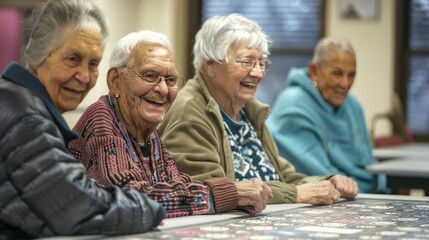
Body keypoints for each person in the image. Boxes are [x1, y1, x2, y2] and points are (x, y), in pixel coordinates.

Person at [0, 1, 164, 239]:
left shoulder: (16, 99)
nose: (85, 77)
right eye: (73, 59)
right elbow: (77, 206)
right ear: (37, 56)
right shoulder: (26, 116)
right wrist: (149, 205)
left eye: (94, 63)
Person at [158, 13, 358, 206]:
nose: (258, 73)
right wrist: (294, 194)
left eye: (262, 63)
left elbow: (282, 174)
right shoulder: (189, 112)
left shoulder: (248, 112)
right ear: (210, 65)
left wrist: (326, 181)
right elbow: (211, 191)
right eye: (247, 62)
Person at [68, 30, 272, 218]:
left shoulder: (147, 131)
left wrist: (234, 195)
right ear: (115, 81)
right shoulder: (102, 118)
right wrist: (225, 194)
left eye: (171, 79)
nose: (164, 89)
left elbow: (174, 182)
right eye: (150, 76)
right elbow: (130, 198)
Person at [266, 37, 388, 193]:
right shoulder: (294, 104)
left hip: (365, 193)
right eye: (337, 73)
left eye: (351, 75)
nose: (345, 84)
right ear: (314, 71)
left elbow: (368, 162)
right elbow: (322, 177)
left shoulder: (353, 105)